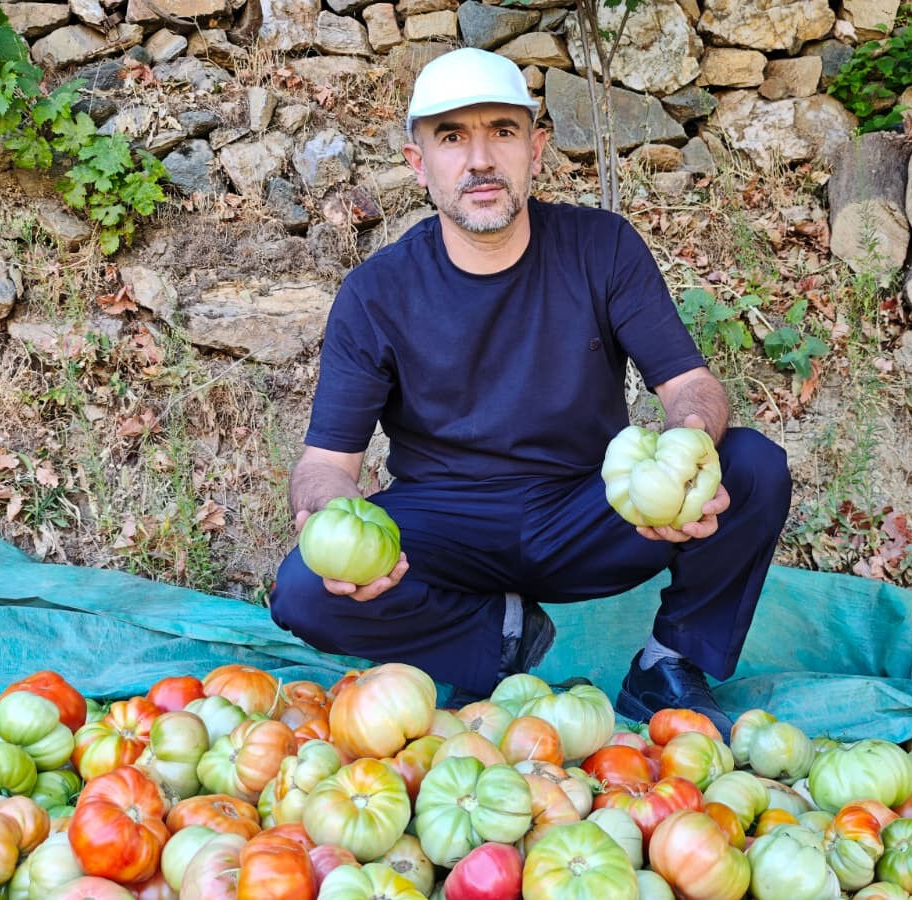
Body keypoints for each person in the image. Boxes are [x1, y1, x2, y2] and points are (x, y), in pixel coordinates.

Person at [267, 47, 791, 737]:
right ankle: (495, 638)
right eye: (452, 137)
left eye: (502, 132)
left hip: (589, 512)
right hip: (445, 524)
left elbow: (690, 385)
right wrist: (330, 516)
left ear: (535, 148)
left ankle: (667, 667)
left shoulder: (600, 247)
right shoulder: (377, 293)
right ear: (418, 163)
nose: (479, 159)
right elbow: (324, 466)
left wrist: (684, 451)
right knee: (305, 588)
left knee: (750, 467)